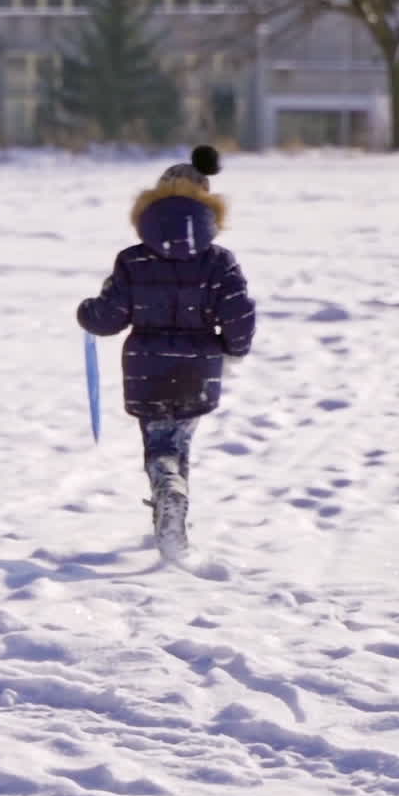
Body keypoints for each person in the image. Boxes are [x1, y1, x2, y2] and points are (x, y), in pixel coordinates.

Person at [76, 145, 254, 558]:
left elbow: (110, 315)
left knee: (159, 445)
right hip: (200, 365)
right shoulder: (219, 262)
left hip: (147, 369)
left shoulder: (133, 260)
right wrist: (234, 349)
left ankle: (167, 497)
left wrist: (88, 313)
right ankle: (172, 508)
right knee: (180, 443)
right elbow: (239, 314)